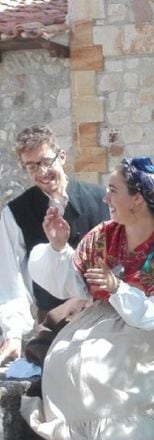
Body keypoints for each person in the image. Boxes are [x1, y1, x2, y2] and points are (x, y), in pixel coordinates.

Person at [20, 157, 154, 440]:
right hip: (99, 318)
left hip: (149, 326)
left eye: (113, 190)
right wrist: (59, 247)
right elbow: (74, 284)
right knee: (64, 359)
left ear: (138, 199)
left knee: (103, 366)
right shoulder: (104, 235)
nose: (105, 199)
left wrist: (119, 289)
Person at [0, 124, 110, 365]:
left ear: (62, 156)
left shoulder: (103, 200)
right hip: (53, 322)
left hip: (105, 318)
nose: (42, 172)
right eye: (32, 166)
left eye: (46, 161)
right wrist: (13, 334)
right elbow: (11, 276)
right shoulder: (15, 213)